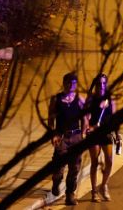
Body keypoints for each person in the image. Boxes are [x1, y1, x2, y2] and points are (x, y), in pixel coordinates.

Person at [47, 72, 85, 205]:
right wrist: (53, 134)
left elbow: (84, 118)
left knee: (74, 167)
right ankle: (56, 182)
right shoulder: (56, 99)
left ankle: (70, 194)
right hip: (61, 137)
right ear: (63, 83)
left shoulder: (79, 99)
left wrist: (84, 134)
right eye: (68, 82)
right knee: (59, 166)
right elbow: (51, 119)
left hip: (76, 136)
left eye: (73, 83)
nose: (71, 85)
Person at [85, 73, 118, 202]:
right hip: (94, 134)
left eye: (104, 83)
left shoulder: (110, 99)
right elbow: (86, 115)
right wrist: (87, 127)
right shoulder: (91, 99)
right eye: (99, 84)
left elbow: (114, 117)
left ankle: (104, 185)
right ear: (95, 85)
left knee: (109, 160)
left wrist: (117, 133)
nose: (102, 86)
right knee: (94, 161)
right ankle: (94, 191)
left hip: (106, 133)